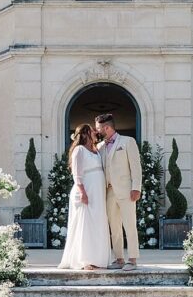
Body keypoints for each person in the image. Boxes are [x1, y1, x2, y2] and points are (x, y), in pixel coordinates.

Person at [58, 123, 111, 270]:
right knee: (85, 224)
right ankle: (84, 260)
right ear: (86, 133)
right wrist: (82, 192)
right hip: (86, 190)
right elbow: (77, 174)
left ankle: (97, 259)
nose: (95, 132)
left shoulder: (96, 150)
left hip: (98, 193)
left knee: (97, 223)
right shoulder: (79, 150)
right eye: (92, 130)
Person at [95, 113, 142, 270]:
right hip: (108, 191)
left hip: (127, 191)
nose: (97, 132)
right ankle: (119, 258)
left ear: (106, 127)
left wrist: (136, 188)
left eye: (98, 129)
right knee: (114, 227)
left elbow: (136, 167)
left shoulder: (128, 142)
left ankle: (133, 260)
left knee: (129, 225)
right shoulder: (100, 147)